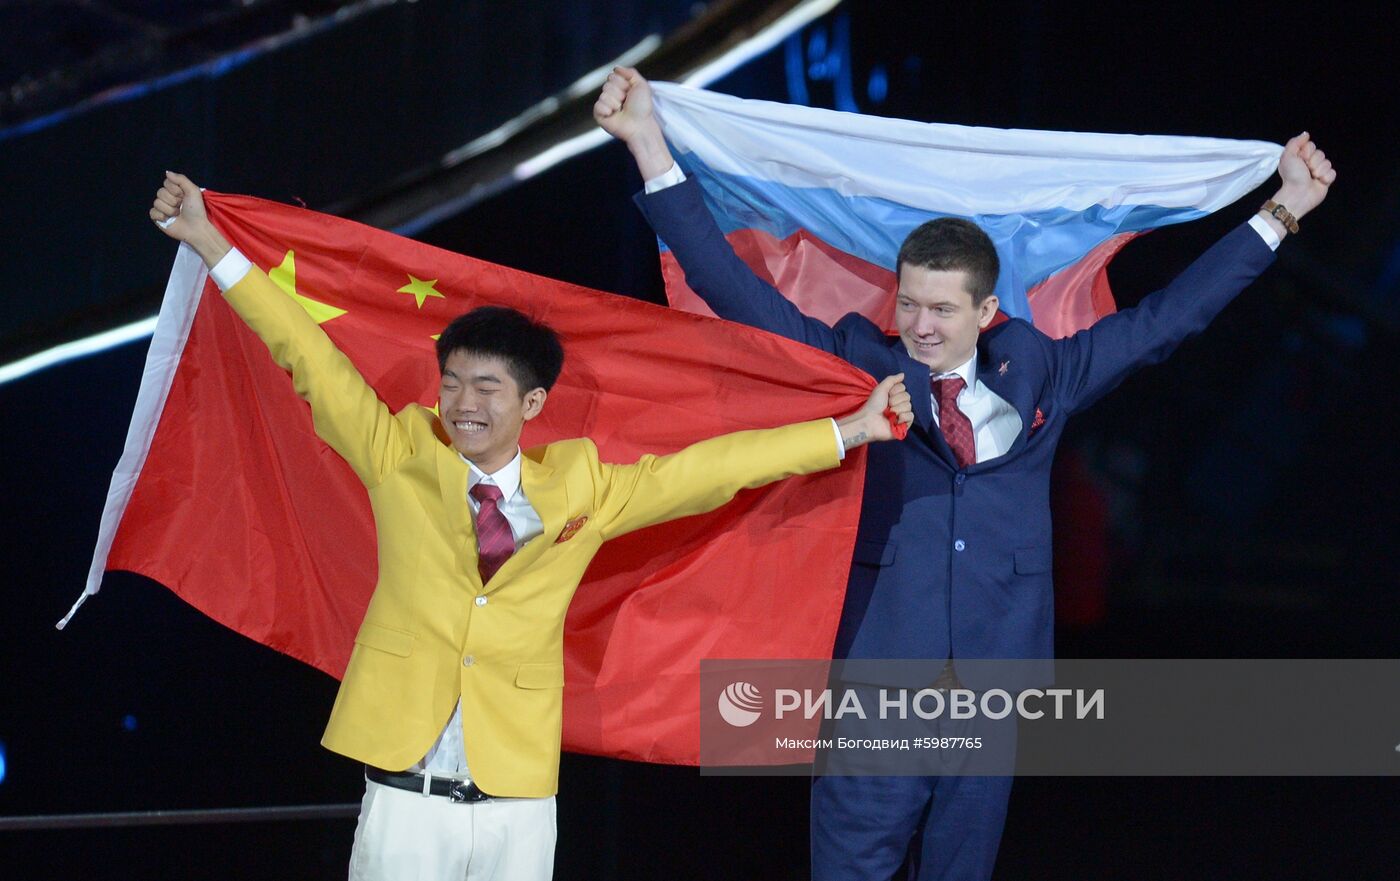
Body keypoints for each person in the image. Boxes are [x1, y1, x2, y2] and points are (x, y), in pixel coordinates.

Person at [595, 67, 1335, 880]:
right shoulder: (858, 361)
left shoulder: (1045, 370)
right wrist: (648, 145)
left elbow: (1171, 317)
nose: (919, 326)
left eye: (942, 310)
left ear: (987, 313)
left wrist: (1282, 211)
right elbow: (733, 289)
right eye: (909, 304)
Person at [148, 171, 914, 881]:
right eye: (451, 384)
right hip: (404, 795)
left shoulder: (581, 483)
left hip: (517, 799)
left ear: (533, 404)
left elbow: (705, 470)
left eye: (486, 386)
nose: (463, 402)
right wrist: (211, 243)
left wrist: (848, 431)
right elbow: (309, 356)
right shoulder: (400, 453)